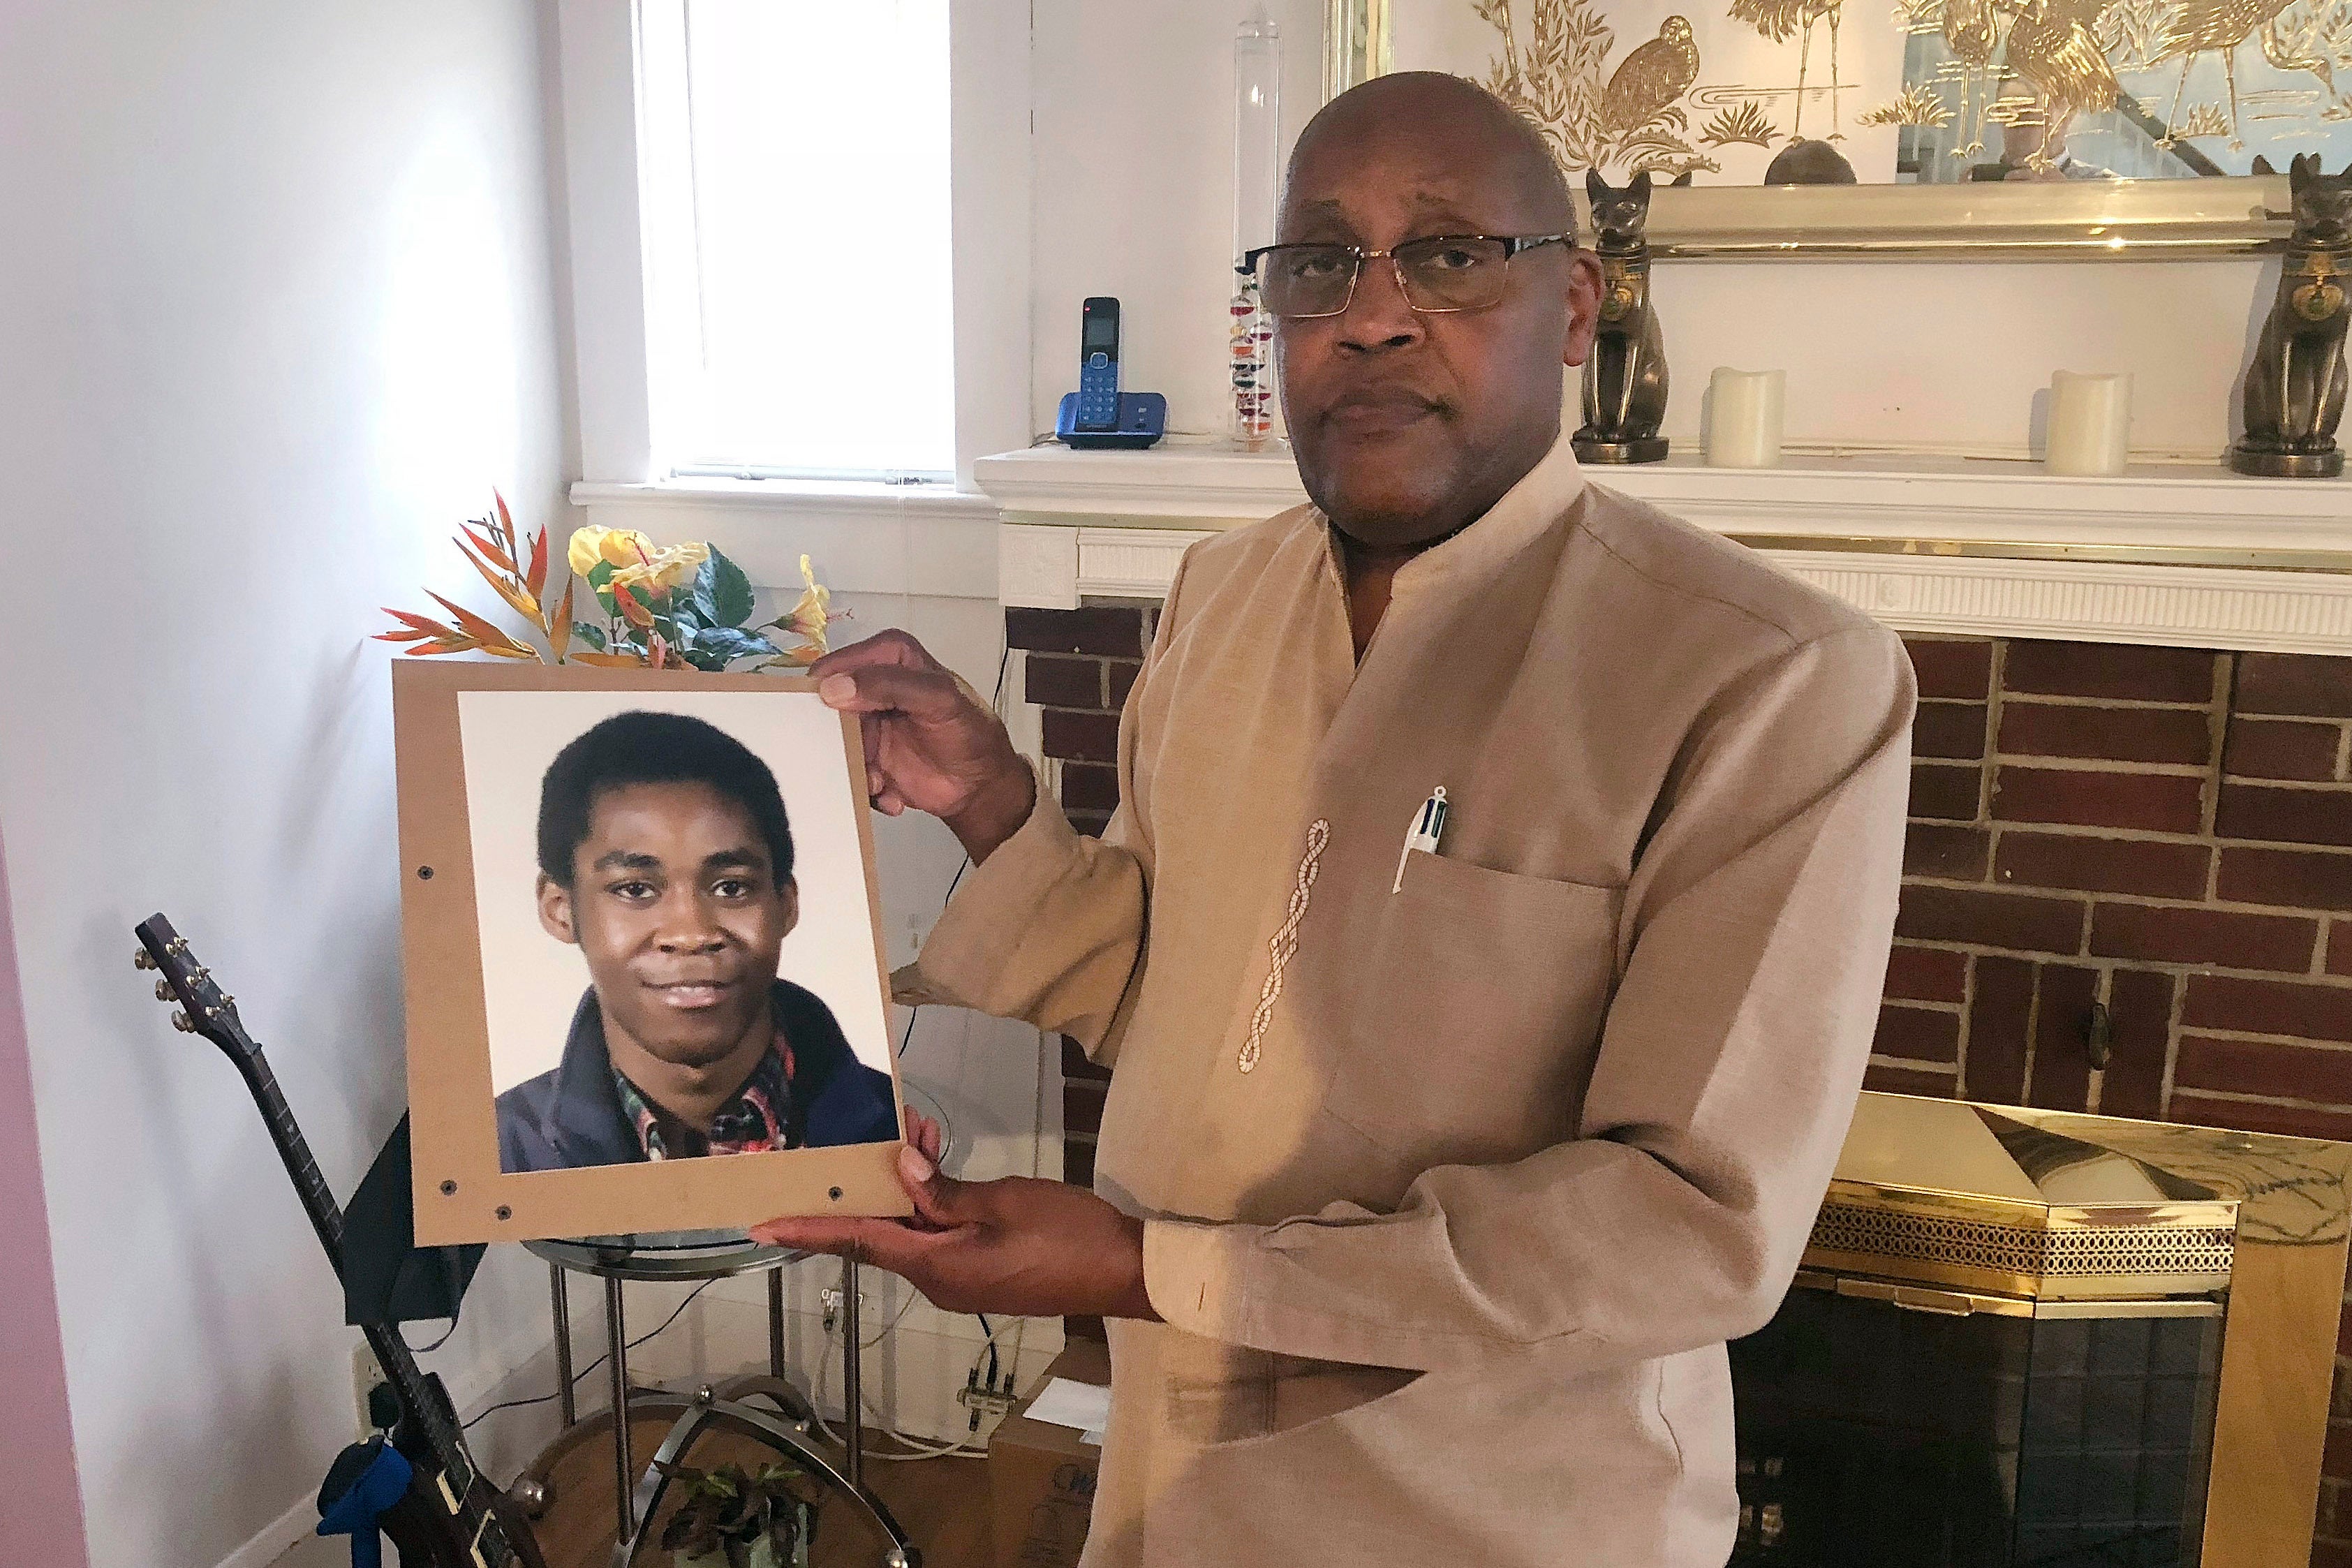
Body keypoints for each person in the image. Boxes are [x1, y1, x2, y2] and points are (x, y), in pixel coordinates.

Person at [754, 72, 1915, 1566]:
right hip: (1176, 1486)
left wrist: (1150, 1267)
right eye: (1317, 262)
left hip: (1498, 1510)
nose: (1370, 314)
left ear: (1574, 310)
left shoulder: (1764, 677)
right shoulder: (1218, 597)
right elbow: (1181, 1003)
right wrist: (991, 804)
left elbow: (1687, 1226)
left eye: (1445, 252)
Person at [496, 709, 898, 1173]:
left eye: (731, 887)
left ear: (785, 904)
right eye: (635, 890)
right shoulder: (500, 1151)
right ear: (560, 910)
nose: (690, 935)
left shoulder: (895, 1128)